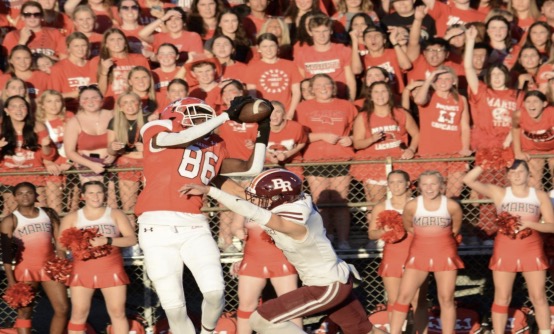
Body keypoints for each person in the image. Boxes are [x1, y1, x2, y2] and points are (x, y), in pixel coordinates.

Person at [179, 168, 383, 334]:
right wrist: (209, 172)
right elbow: (244, 195)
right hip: (331, 279)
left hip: (325, 285)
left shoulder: (295, 220)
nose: (258, 200)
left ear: (279, 198)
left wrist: (210, 192)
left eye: (265, 198)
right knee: (365, 331)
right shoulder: (291, 200)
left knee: (260, 319)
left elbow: (252, 209)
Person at [134, 96, 271, 334]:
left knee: (216, 293)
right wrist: (225, 115)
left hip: (194, 225)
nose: (201, 119)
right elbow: (178, 139)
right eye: (195, 113)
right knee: (175, 308)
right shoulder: (158, 126)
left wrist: (263, 128)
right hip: (155, 226)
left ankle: (207, 332)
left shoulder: (215, 142)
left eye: (205, 115)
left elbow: (251, 168)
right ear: (174, 113)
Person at [463, 161, 554, 334]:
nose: (517, 175)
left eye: (521, 172)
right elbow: (468, 180)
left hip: (531, 248)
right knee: (502, 296)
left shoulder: (539, 195)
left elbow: (552, 226)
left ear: (529, 175)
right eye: (513, 172)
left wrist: (529, 224)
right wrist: (485, 163)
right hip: (505, 249)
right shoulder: (500, 193)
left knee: (538, 296)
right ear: (508, 175)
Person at [389, 170, 464, 334]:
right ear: (419, 187)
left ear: (442, 186)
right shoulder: (412, 205)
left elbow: (455, 228)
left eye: (433, 184)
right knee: (404, 297)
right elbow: (409, 226)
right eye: (424, 184)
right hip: (419, 254)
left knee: (446, 299)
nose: (429, 188)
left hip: (445, 254)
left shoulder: (451, 206)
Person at [59, 181, 137, 333]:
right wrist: (77, 246)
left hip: (111, 268)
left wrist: (107, 240)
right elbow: (61, 245)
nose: (95, 196)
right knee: (79, 313)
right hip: (83, 270)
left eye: (99, 192)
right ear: (83, 196)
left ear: (105, 195)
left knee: (117, 312)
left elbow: (132, 239)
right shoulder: (72, 217)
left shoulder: (115, 214)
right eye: (91, 193)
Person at [296, 74, 357, 250]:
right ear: (312, 89)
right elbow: (297, 135)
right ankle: (326, 236)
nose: (323, 88)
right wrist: (321, 136)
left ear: (333, 87)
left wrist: (351, 138)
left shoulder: (346, 106)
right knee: (321, 201)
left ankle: (344, 240)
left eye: (327, 84)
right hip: (314, 159)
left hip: (341, 157)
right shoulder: (303, 107)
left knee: (340, 201)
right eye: (318, 85)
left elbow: (359, 131)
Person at [0, 182, 69, 334]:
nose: (25, 196)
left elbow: (60, 242)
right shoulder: (10, 220)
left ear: (36, 195)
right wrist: (11, 280)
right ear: (15, 198)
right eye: (20, 193)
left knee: (63, 308)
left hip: (50, 268)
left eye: (29, 192)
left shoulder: (48, 214)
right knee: (25, 312)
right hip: (25, 271)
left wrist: (62, 262)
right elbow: (6, 254)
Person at [368, 170, 427, 333]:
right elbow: (371, 234)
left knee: (418, 301)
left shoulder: (419, 204)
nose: (396, 186)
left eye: (399, 182)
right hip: (392, 256)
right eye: (392, 182)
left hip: (416, 254)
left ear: (408, 184)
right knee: (394, 301)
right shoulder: (381, 206)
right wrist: (384, 231)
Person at [0, 96, 56, 217]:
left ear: (27, 109)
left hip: (33, 174)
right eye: (14, 107)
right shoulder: (1, 127)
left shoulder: (37, 126)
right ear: (6, 111)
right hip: (9, 175)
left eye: (22, 106)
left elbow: (48, 156)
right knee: (13, 214)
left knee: (41, 213)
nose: (18, 110)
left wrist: (46, 146)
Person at [246, 33, 302, 120]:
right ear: (259, 48)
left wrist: (291, 112)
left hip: (286, 112)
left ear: (277, 47)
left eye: (272, 46)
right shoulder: (252, 67)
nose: (269, 50)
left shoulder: (290, 65)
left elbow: (296, 92)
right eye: (264, 46)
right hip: (264, 113)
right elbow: (252, 94)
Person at [511, 90, 554, 190]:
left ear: (544, 104)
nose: (531, 105)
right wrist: (518, 151)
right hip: (533, 149)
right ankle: (539, 204)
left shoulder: (552, 113)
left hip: (552, 149)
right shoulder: (519, 115)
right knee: (534, 182)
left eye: (535, 101)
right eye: (528, 101)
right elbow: (515, 128)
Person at [2, 1, 67, 60]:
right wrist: (22, 42)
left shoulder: (54, 33)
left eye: (36, 14)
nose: (32, 17)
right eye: (27, 14)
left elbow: (64, 60)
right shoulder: (12, 36)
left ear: (42, 17)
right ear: (22, 17)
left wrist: (47, 58)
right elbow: (9, 62)